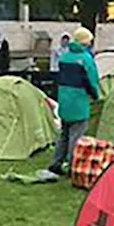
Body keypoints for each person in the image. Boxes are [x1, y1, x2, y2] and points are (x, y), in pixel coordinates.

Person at [41, 27, 100, 180]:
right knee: (76, 136)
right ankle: (73, 166)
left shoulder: (65, 57)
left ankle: (56, 163)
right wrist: (96, 96)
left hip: (65, 99)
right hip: (79, 102)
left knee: (64, 134)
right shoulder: (86, 59)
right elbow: (91, 81)